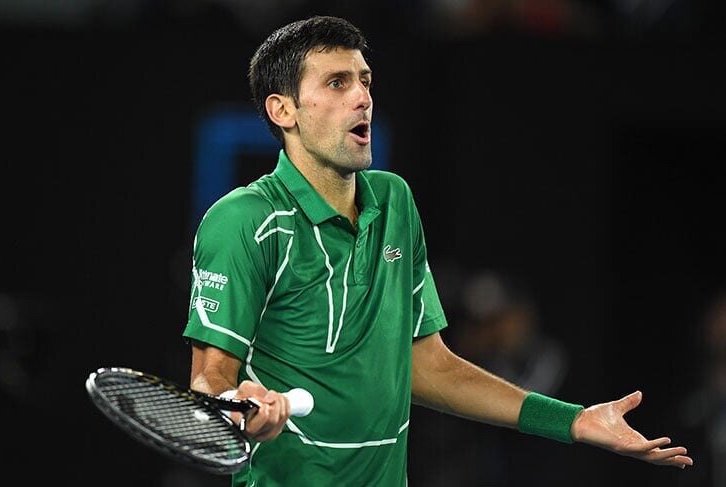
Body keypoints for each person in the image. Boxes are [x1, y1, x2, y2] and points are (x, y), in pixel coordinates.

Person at [181, 15, 693, 486]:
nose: (362, 97)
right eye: (337, 83)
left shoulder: (395, 201)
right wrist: (238, 405)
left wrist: (572, 421)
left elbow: (428, 366)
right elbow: (210, 377)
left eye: (365, 81)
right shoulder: (243, 220)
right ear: (283, 110)